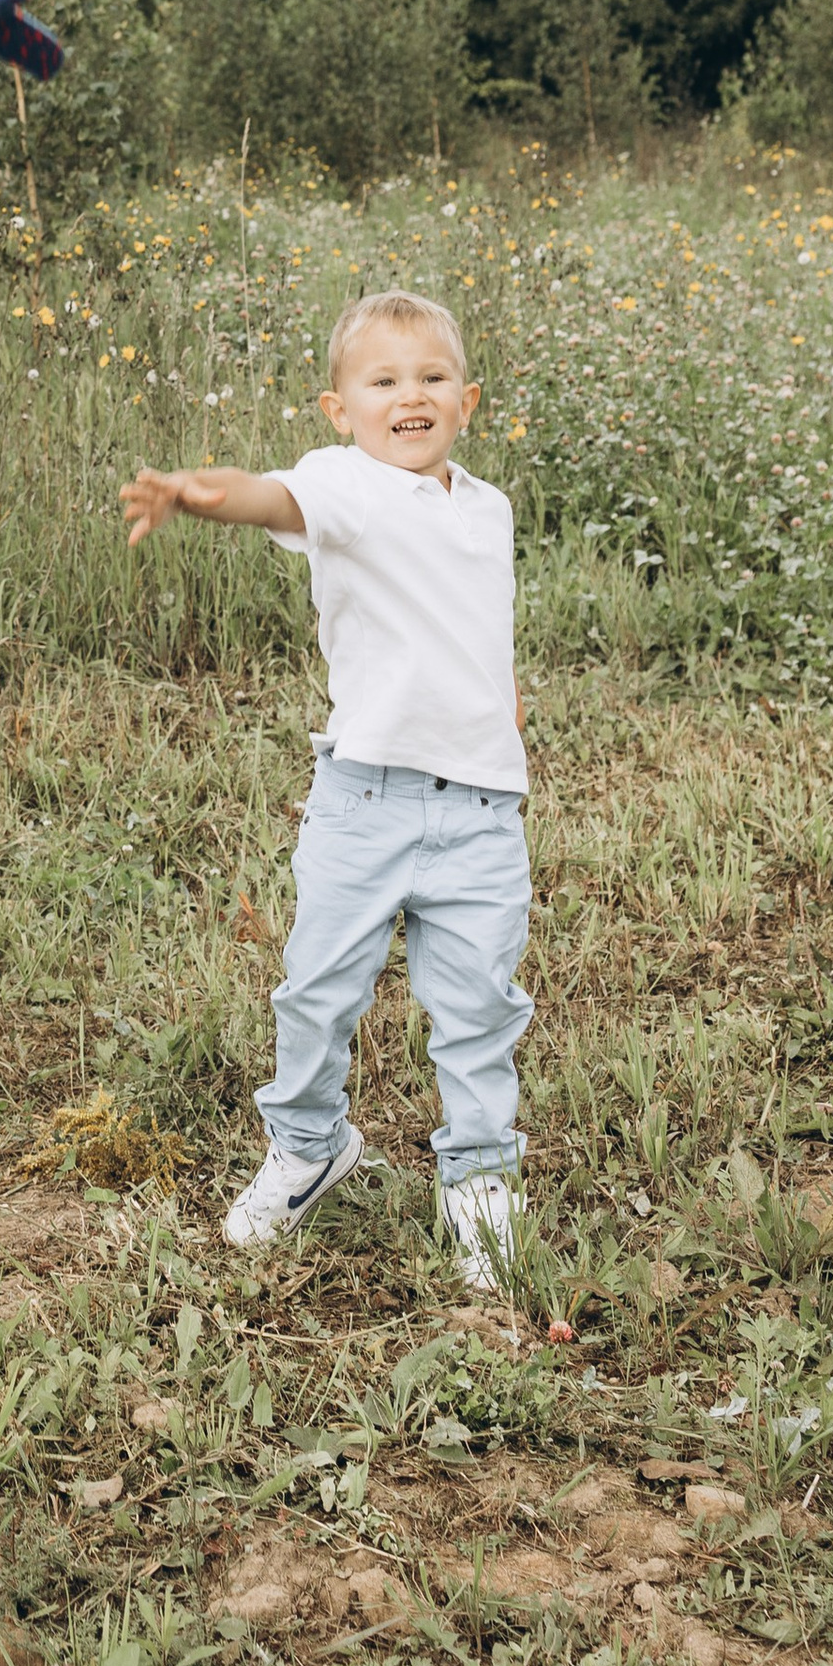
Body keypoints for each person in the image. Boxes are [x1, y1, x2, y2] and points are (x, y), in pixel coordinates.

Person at [119, 288, 531, 1287]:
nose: (410, 397)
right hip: (362, 803)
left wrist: (499, 705)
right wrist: (195, 492)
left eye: (431, 378)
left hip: (480, 809)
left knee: (478, 1005)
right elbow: (272, 496)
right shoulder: (342, 485)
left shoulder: (487, 509)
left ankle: (479, 1181)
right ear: (338, 409)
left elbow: (473, 623)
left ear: (467, 401)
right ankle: (309, 1148)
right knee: (316, 992)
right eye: (383, 381)